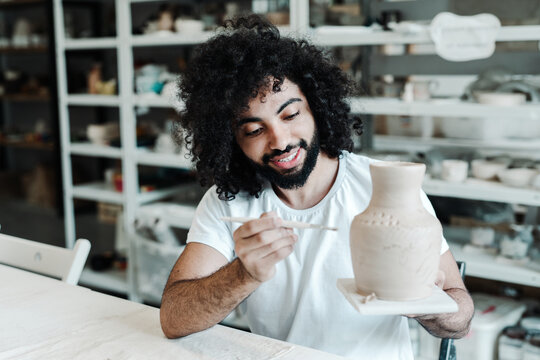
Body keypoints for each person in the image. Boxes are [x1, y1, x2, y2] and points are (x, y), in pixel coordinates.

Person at [160, 14, 474, 359]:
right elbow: (173, 319)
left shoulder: (384, 187)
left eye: (291, 115)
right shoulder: (229, 203)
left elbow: (460, 320)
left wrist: (426, 304)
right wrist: (243, 274)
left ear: (317, 107)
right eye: (253, 130)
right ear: (229, 140)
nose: (279, 141)